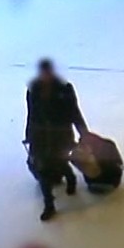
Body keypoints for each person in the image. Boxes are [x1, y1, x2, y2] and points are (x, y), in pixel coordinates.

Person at [24, 59, 87, 220]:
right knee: (42, 169)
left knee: (60, 162)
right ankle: (49, 204)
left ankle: (70, 177)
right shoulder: (33, 90)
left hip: (60, 135)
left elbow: (74, 112)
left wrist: (84, 133)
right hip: (40, 136)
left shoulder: (65, 89)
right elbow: (31, 114)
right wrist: (29, 135)